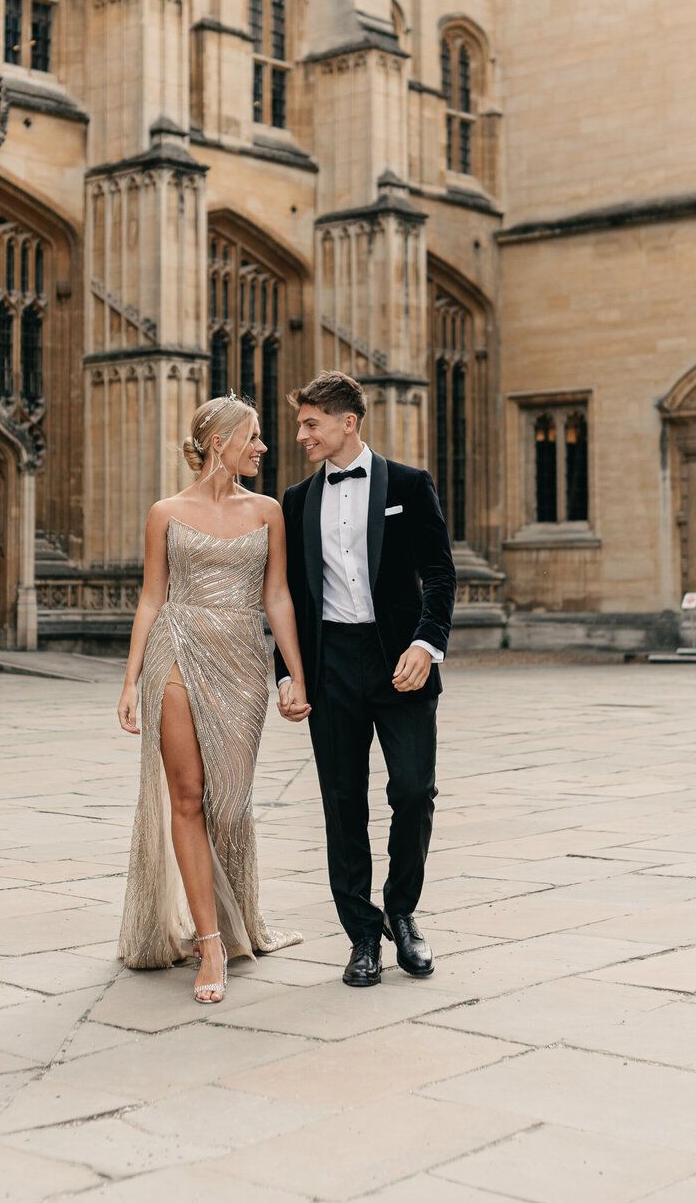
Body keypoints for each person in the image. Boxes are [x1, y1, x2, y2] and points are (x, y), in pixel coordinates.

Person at [117, 393, 311, 1003]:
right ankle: (209, 943)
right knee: (188, 796)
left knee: (229, 805)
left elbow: (277, 597)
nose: (263, 447)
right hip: (175, 649)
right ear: (220, 442)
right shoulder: (164, 512)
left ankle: (235, 916)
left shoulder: (270, 511)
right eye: (253, 437)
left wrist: (295, 675)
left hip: (243, 664)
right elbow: (152, 598)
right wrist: (129, 682)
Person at [276, 371, 456, 987]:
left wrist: (427, 645)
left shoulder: (409, 484)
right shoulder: (295, 501)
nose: (300, 435)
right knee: (342, 802)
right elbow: (287, 596)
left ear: (347, 422)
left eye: (310, 423)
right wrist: (287, 675)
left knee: (413, 792)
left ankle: (402, 913)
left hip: (399, 661)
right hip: (331, 667)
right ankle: (361, 937)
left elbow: (439, 572)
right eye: (301, 423)